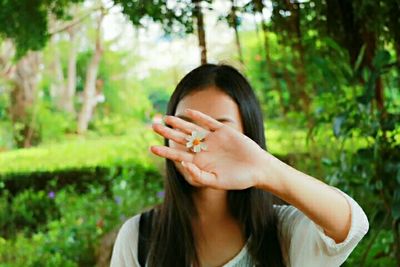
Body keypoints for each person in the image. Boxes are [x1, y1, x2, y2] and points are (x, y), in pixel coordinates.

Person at [110, 63, 369, 267]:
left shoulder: (283, 231)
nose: (197, 141)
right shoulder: (138, 236)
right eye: (185, 126)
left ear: (249, 135)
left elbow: (351, 226)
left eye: (218, 127)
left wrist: (265, 169)